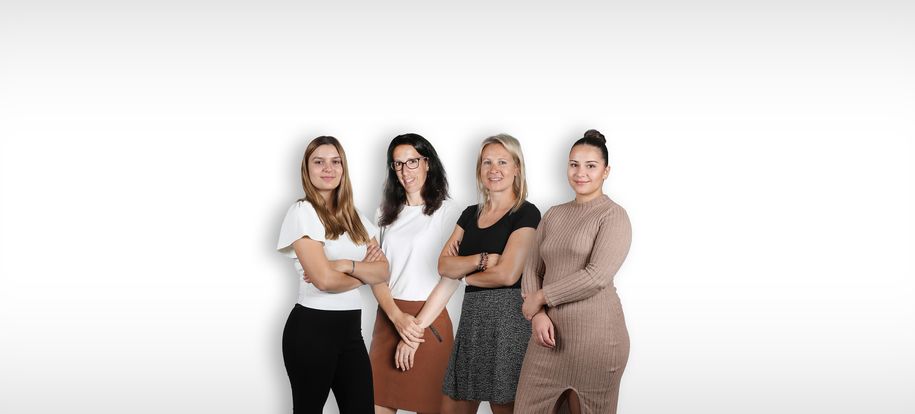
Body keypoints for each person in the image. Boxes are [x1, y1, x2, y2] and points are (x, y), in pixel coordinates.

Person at [515, 129, 633, 414]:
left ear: (606, 171)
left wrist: (541, 298)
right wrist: (538, 315)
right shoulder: (553, 213)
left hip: (596, 340)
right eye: (574, 164)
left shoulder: (613, 215)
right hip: (547, 338)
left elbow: (596, 276)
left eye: (591, 166)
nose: (581, 173)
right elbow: (532, 267)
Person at [276, 136, 390, 414]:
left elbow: (384, 270)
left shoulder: (355, 216)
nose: (328, 168)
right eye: (319, 162)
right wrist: (363, 272)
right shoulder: (302, 212)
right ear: (307, 169)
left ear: (343, 168)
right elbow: (325, 281)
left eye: (335, 161)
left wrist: (344, 265)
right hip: (311, 331)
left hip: (350, 332)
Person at [437, 134, 540, 414]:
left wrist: (465, 276)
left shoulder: (526, 213)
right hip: (472, 321)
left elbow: (507, 275)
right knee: (452, 404)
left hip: (508, 323)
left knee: (504, 404)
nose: (494, 169)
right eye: (487, 162)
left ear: (517, 168)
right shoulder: (469, 214)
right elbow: (443, 265)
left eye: (502, 162)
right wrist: (482, 260)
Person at [369, 133, 462, 414]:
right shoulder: (383, 213)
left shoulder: (449, 212)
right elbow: (375, 273)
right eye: (398, 164)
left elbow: (451, 278)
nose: (405, 171)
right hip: (389, 318)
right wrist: (397, 318)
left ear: (427, 163)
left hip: (428, 322)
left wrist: (414, 330)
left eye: (412, 161)